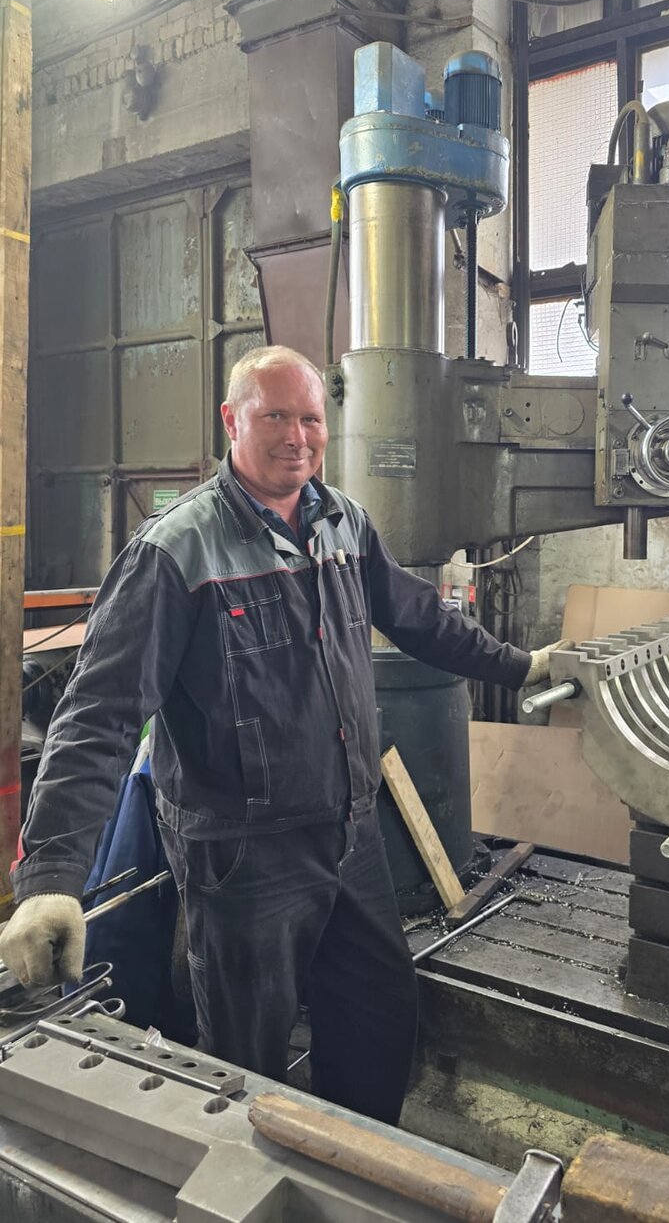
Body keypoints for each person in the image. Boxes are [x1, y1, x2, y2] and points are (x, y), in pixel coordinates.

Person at [1, 345, 564, 1125]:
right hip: (244, 857)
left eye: (310, 419)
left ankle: (355, 1169)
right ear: (231, 421)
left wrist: (521, 665)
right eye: (274, 416)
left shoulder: (343, 524)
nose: (297, 436)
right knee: (246, 1061)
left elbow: (419, 618)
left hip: (350, 835)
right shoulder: (176, 550)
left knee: (376, 1019)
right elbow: (98, 717)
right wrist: (52, 878)